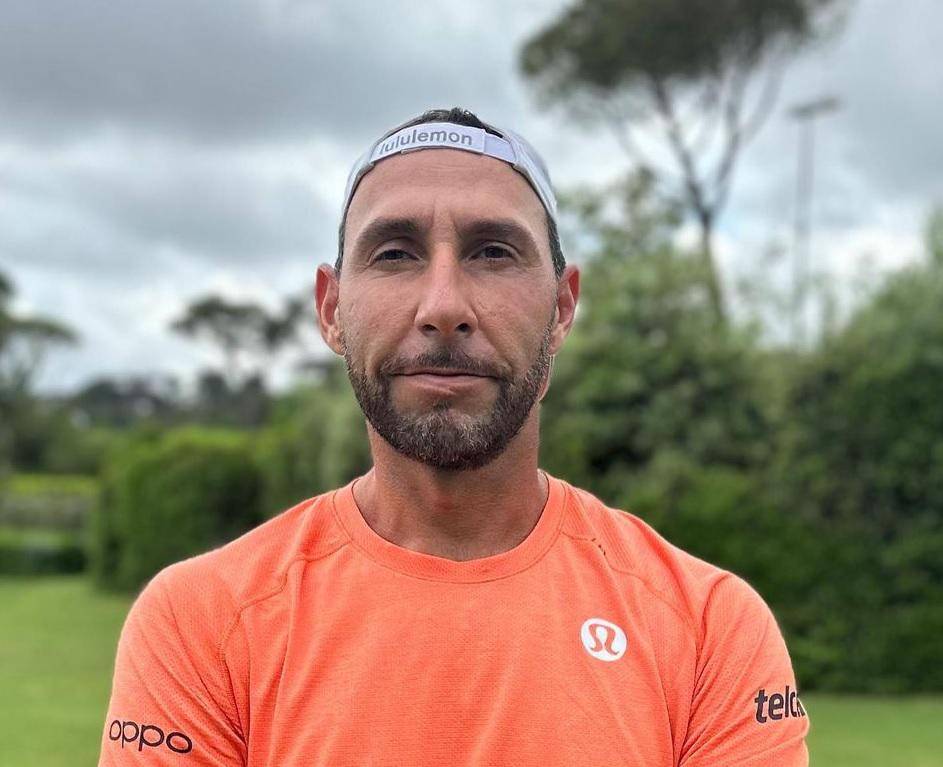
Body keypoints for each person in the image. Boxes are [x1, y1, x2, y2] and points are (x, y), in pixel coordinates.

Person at [97, 107, 810, 766]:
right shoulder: (202, 622)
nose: (442, 307)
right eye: (394, 253)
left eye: (493, 252)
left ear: (562, 308)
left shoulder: (709, 628)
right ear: (332, 308)